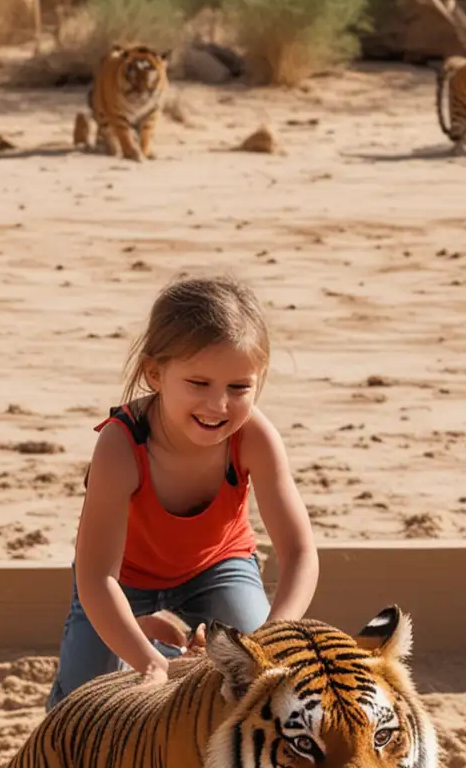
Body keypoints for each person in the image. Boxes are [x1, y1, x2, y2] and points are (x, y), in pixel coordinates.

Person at [46, 275, 318, 709]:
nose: (219, 405)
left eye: (239, 387)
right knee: (79, 704)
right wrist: (149, 662)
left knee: (255, 684)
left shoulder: (254, 438)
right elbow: (97, 578)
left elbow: (301, 554)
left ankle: (172, 644)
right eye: (198, 384)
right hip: (120, 581)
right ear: (156, 374)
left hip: (216, 568)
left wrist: (270, 639)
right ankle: (156, 638)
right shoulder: (121, 445)